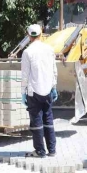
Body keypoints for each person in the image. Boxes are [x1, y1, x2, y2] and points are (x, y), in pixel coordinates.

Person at [21, 24, 58, 158]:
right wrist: (54, 87)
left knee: (36, 121)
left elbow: (25, 75)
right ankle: (52, 150)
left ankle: (40, 151)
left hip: (34, 92)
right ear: (41, 34)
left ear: (29, 36)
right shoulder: (49, 49)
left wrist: (23, 92)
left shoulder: (27, 52)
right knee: (48, 119)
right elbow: (54, 70)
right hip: (48, 91)